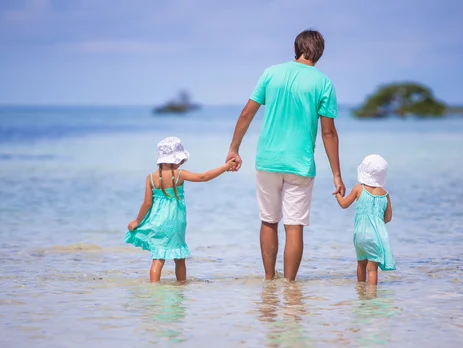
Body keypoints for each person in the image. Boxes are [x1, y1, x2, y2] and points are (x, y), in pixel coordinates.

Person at [226, 29, 345, 281]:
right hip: (300, 164)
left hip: (268, 160)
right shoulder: (323, 83)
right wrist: (337, 175)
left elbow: (247, 113)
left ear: (296, 48)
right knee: (294, 226)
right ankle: (290, 286)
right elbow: (329, 134)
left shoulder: (271, 73)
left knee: (268, 221)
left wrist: (234, 149)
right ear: (319, 53)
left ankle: (269, 281)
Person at [125, 136, 236, 282]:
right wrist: (225, 167)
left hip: (157, 222)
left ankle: (153, 288)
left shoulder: (151, 177)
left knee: (158, 258)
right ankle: (181, 286)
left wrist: (137, 221)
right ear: (177, 159)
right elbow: (203, 177)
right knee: (179, 257)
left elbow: (146, 204)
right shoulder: (179, 175)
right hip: (175, 222)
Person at [335, 154, 396, 285]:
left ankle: (360, 290)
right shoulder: (385, 194)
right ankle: (372, 295)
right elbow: (389, 217)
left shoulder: (359, 188)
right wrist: (377, 222)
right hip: (376, 234)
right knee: (372, 268)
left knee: (361, 262)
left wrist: (338, 196)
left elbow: (344, 204)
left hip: (360, 234)